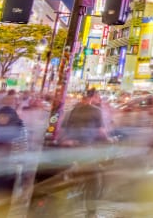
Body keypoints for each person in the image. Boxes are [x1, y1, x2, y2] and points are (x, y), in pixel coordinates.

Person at [60, 88, 111, 217]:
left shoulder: (72, 111)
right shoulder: (96, 111)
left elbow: (65, 128)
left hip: (70, 146)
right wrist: (109, 140)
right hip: (85, 148)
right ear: (92, 97)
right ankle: (91, 211)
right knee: (93, 180)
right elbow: (101, 131)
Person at [0, 106, 26, 217]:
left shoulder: (19, 128)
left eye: (5, 117)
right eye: (0, 116)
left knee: (3, 197)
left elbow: (22, 149)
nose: (2, 119)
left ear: (11, 117)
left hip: (8, 169)